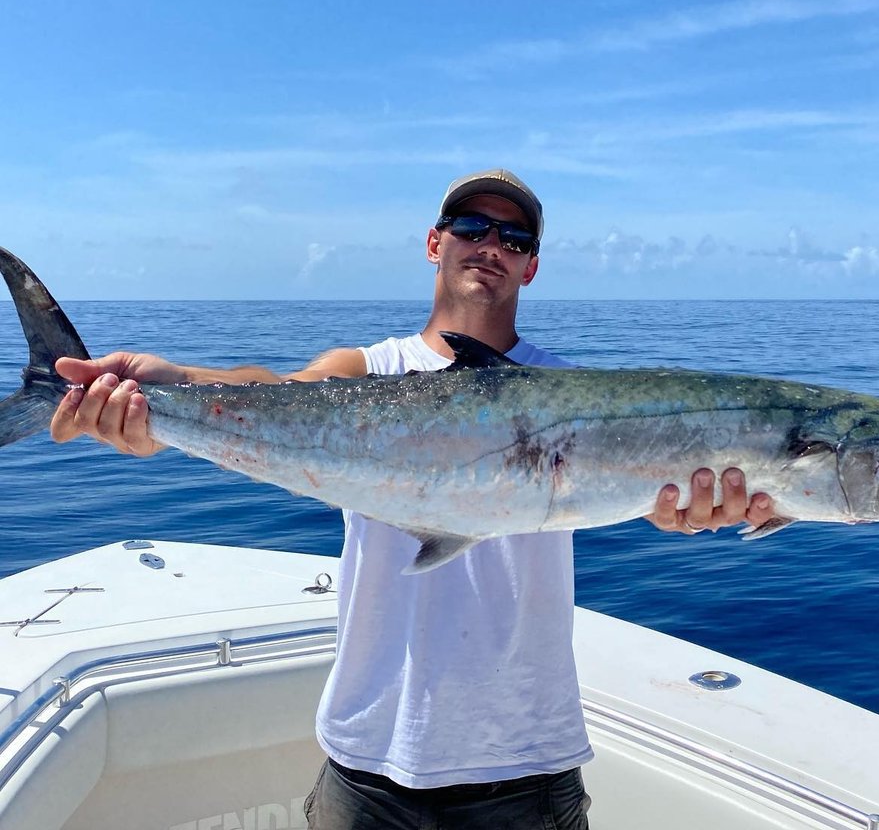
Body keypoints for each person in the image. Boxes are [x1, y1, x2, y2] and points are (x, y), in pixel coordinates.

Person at [49, 168, 776, 830]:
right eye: (471, 228)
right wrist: (164, 393)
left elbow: (653, 497)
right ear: (435, 244)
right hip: (369, 764)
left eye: (514, 236)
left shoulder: (575, 391)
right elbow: (275, 394)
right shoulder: (367, 370)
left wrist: (695, 511)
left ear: (532, 264)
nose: (490, 245)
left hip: (527, 767)